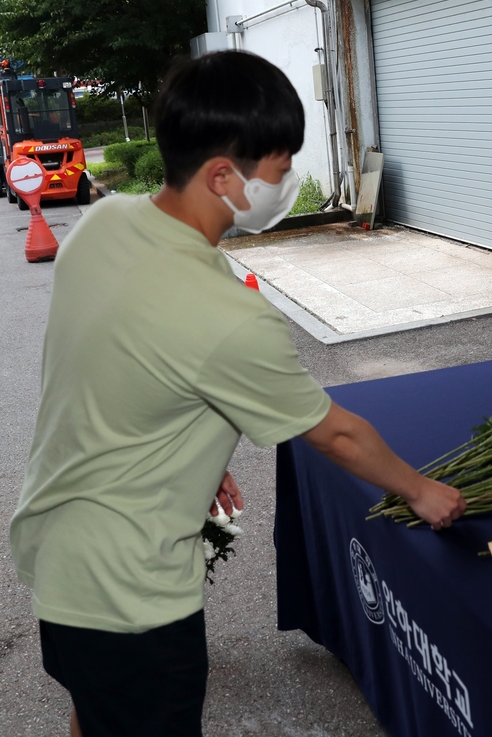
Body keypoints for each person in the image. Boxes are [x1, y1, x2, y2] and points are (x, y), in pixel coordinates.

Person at [8, 50, 466, 737]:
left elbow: (112, 359)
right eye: (281, 169)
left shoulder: (103, 226)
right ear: (224, 175)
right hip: (128, 593)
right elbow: (335, 433)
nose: (286, 183)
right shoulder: (230, 315)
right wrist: (422, 491)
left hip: (58, 548)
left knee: (97, 711)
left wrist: (195, 443)